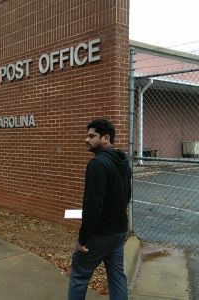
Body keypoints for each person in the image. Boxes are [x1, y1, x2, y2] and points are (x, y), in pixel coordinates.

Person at [68, 118, 130, 300]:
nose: (86, 140)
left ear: (105, 138)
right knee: (117, 277)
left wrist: (83, 238)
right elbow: (127, 196)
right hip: (119, 232)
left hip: (100, 234)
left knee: (79, 275)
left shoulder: (98, 164)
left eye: (91, 136)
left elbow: (93, 205)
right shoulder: (122, 161)